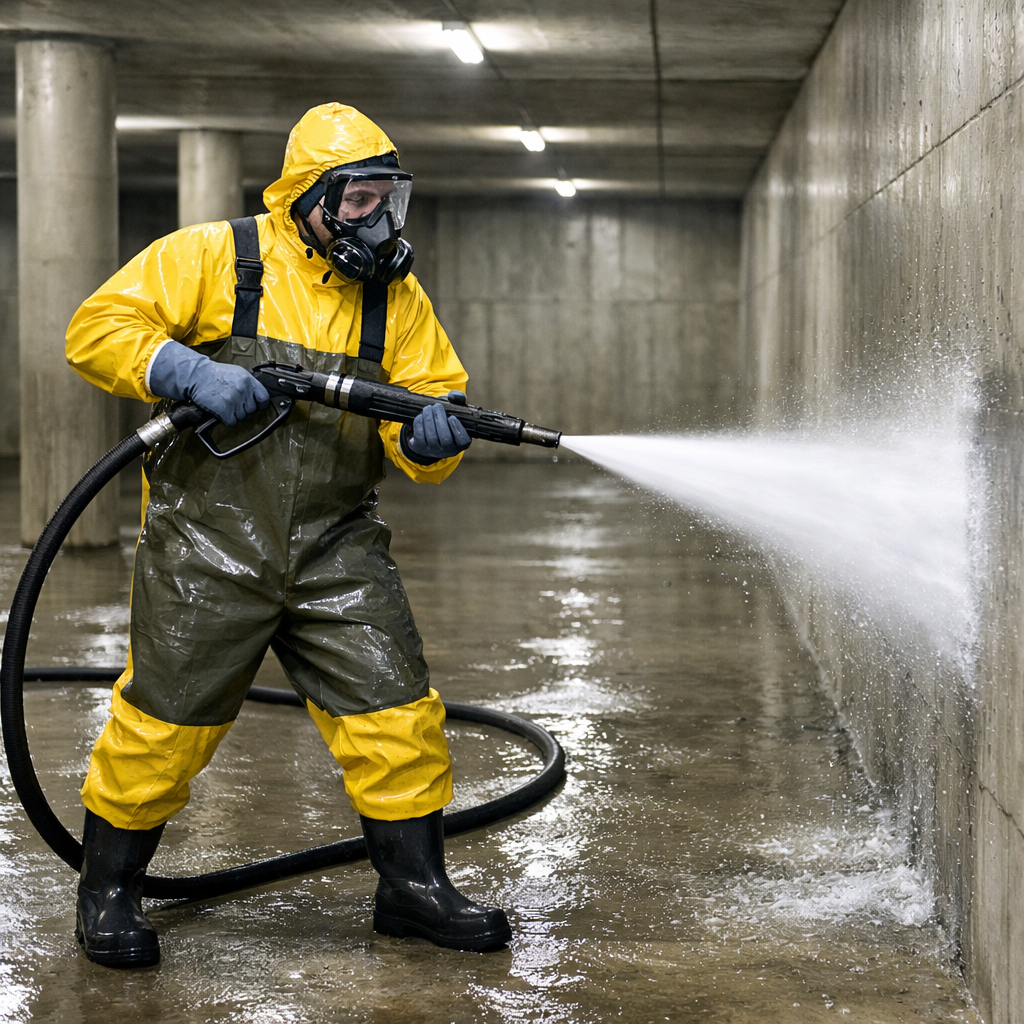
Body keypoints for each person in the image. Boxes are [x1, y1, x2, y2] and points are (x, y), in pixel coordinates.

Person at [64, 103, 511, 968]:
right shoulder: (214, 257)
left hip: (336, 544)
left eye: (389, 202)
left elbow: (429, 395)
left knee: (398, 713)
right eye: (358, 203)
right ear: (308, 198)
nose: (377, 223)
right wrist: (183, 366)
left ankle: (412, 889)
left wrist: (428, 442)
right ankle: (109, 892)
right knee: (165, 723)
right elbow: (97, 329)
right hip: (207, 543)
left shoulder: (393, 296)